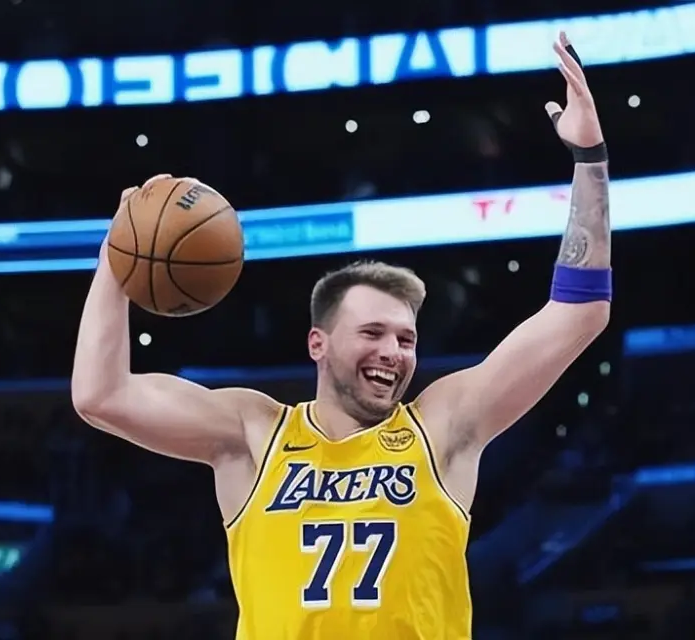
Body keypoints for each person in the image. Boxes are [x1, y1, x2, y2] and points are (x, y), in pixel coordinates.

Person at [72, 32, 611, 640]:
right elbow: (100, 395)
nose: (393, 352)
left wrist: (589, 159)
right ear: (318, 345)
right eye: (373, 332)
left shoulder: (441, 427)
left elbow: (580, 312)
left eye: (406, 339)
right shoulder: (253, 434)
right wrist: (116, 259)